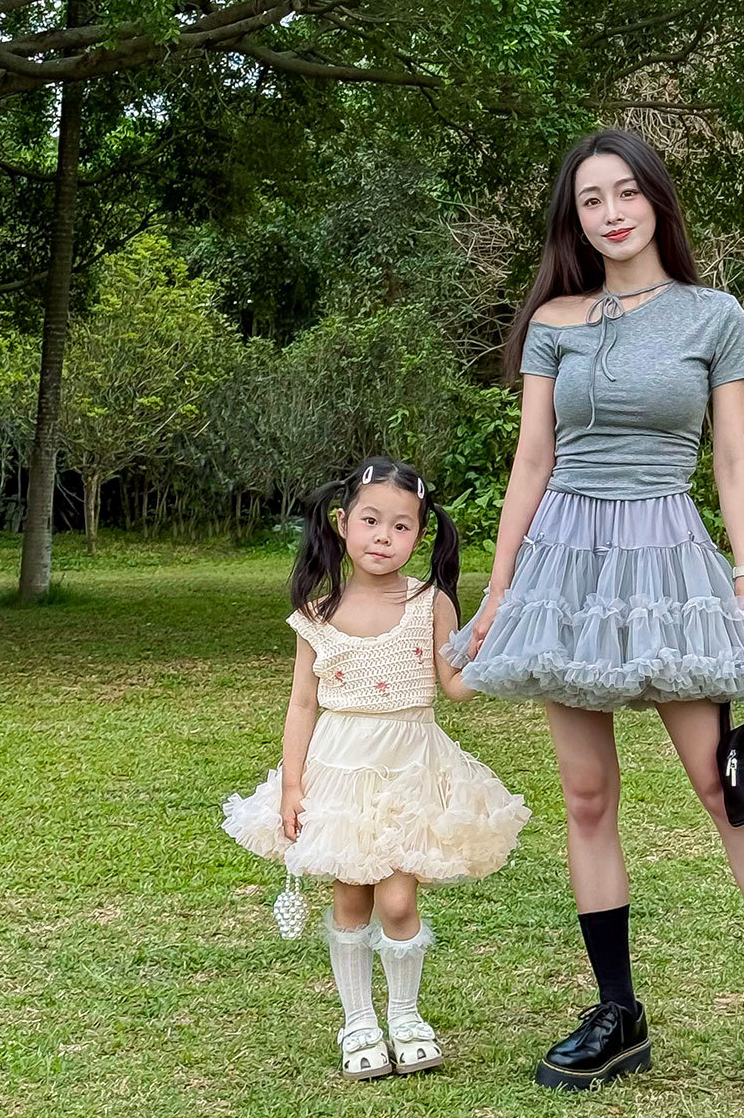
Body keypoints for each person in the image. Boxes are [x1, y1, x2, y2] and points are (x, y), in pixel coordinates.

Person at [444, 129, 744, 1102]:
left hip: (667, 558)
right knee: (586, 797)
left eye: (626, 192)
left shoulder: (713, 315)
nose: (611, 212)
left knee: (722, 786)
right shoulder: (554, 321)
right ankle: (618, 1014)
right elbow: (532, 461)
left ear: (657, 200)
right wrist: (499, 594)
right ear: (572, 219)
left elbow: (732, 459)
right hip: (567, 567)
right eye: (591, 200)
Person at [222, 456, 530, 1080]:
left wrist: (492, 645)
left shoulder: (430, 603)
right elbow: (302, 704)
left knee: (396, 900)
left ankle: (407, 1015)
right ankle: (358, 1021)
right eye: (370, 521)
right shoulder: (316, 615)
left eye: (401, 526)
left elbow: (454, 686)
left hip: (409, 772)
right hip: (339, 772)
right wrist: (291, 784)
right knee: (351, 897)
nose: (383, 537)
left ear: (420, 535)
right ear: (343, 524)